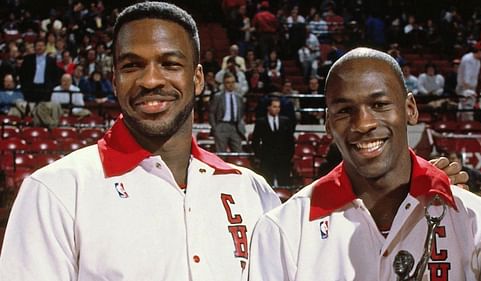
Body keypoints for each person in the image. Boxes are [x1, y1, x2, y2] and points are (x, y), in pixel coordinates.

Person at [0, 2, 280, 280]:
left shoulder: (251, 190)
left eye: (170, 64)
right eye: (132, 66)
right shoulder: (56, 189)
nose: (150, 80)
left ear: (197, 79)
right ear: (115, 80)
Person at [245, 48, 481, 281]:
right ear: (328, 123)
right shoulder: (282, 230)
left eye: (379, 105)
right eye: (345, 110)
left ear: (410, 108)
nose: (363, 124)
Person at [252, 98, 295, 187]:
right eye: (274, 106)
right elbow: (255, 141)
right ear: (268, 107)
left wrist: (289, 156)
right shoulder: (261, 122)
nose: (277, 109)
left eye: (278, 107)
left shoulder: (285, 121)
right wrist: (260, 156)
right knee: (267, 185)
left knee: (284, 184)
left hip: (283, 159)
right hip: (267, 159)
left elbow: (290, 141)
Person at [209, 72, 246, 152]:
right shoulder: (218, 97)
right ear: (224, 84)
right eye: (228, 82)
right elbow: (211, 113)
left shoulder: (239, 97)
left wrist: (242, 126)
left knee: (238, 154)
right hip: (222, 127)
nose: (231, 85)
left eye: (233, 82)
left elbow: (241, 113)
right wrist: (215, 128)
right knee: (221, 154)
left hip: (236, 128)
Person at [19, 38, 61, 103]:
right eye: (38, 46)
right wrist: (25, 86)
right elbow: (22, 74)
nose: (40, 48)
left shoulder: (51, 60)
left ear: (45, 47)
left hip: (45, 89)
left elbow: (55, 75)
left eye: (42, 46)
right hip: (31, 88)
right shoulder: (28, 59)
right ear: (35, 47)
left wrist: (51, 87)